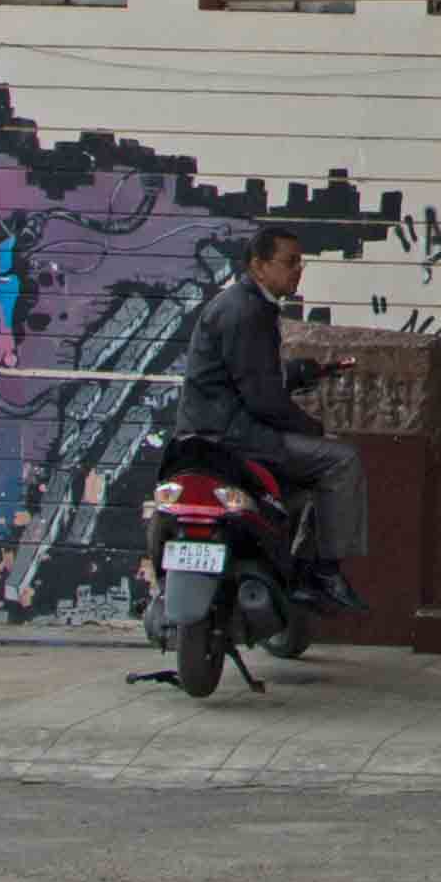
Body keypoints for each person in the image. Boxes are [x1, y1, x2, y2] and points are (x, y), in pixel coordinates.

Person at [173, 224, 365, 613]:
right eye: (289, 262)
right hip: (236, 436)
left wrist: (300, 372)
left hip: (210, 431)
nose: (298, 270)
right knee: (342, 460)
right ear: (259, 266)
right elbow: (262, 399)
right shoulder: (247, 312)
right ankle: (323, 571)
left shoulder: (242, 305)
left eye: (301, 262)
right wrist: (315, 429)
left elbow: (243, 373)